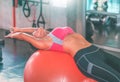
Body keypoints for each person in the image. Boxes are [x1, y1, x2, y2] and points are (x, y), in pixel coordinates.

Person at [5, 26, 120, 82]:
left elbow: (35, 29)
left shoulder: (52, 33)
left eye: (36, 30)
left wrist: (20, 28)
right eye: (35, 34)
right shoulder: (45, 43)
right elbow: (23, 37)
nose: (37, 31)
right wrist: (17, 34)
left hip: (96, 50)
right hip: (87, 59)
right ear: (36, 40)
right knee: (116, 78)